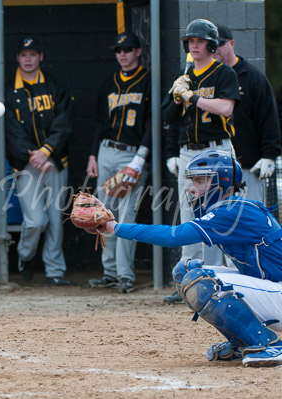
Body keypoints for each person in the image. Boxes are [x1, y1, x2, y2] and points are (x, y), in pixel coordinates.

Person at [99, 150, 282, 367]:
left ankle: (268, 345)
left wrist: (114, 227)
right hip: (272, 290)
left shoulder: (233, 210)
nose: (192, 188)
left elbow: (173, 236)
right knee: (184, 271)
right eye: (193, 180)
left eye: (200, 181)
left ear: (222, 182)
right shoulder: (228, 207)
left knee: (202, 281)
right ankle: (243, 341)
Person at [162, 19, 240, 302]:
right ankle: (187, 280)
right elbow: (167, 117)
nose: (194, 45)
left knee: (220, 215)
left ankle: (224, 279)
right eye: (190, 41)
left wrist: (192, 97)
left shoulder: (223, 73)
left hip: (217, 151)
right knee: (188, 214)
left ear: (211, 45)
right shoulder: (185, 76)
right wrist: (176, 95)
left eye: (199, 41)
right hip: (188, 152)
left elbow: (226, 108)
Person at [5, 37, 75, 286]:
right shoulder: (8, 90)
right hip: (26, 165)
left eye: (32, 54)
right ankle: (25, 257)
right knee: (36, 221)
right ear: (17, 58)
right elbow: (10, 131)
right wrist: (34, 156)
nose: (28, 59)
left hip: (54, 161)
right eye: (23, 55)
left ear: (40, 57)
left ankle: (55, 271)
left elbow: (64, 124)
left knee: (56, 218)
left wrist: (47, 152)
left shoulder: (55, 87)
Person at [85, 32, 151, 294]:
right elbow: (100, 123)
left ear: (138, 52)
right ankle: (110, 272)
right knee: (103, 213)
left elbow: (152, 123)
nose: (122, 54)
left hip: (131, 155)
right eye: (119, 50)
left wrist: (140, 157)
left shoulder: (148, 81)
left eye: (128, 49)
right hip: (106, 151)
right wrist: (92, 155)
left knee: (125, 216)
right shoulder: (109, 83)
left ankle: (125, 274)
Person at [213, 23, 281, 203]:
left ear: (232, 44)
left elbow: (268, 119)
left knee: (249, 219)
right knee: (217, 223)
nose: (215, 49)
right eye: (211, 44)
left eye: (220, 44)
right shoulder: (206, 78)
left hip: (248, 165)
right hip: (215, 166)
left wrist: (269, 156)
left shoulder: (253, 77)